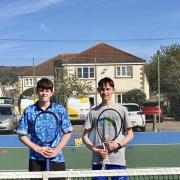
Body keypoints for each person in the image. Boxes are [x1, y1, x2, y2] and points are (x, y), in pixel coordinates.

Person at [17, 78, 73, 173]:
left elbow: (67, 133)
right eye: (41, 90)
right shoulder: (29, 111)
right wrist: (38, 149)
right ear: (37, 92)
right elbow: (22, 135)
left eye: (47, 91)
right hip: (36, 159)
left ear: (52, 92)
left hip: (56, 158)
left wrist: (56, 151)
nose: (44, 93)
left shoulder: (60, 109)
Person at [82, 77, 134, 180]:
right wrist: (96, 150)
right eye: (102, 89)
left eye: (107, 89)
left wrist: (117, 145)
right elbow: (85, 136)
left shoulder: (122, 110)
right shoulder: (93, 112)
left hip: (118, 159)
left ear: (113, 90)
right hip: (98, 160)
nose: (104, 92)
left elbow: (130, 134)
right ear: (98, 91)